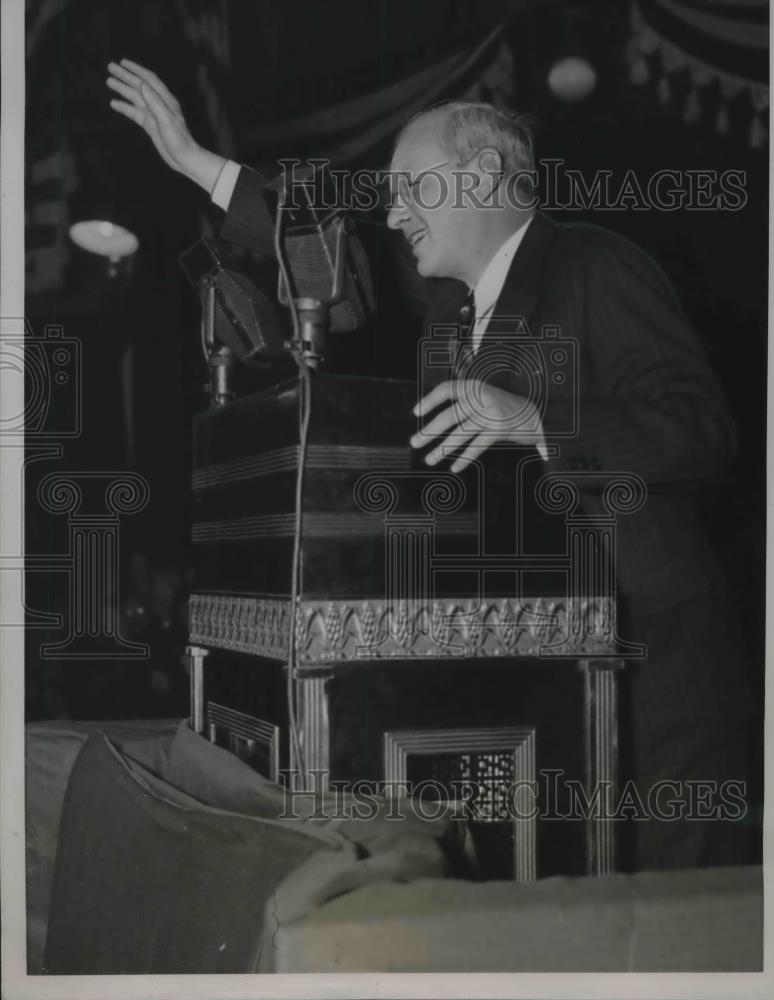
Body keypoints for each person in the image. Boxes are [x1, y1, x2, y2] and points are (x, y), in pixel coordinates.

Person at [107, 59, 755, 871]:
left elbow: (703, 431)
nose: (393, 208)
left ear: (484, 175)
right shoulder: (448, 321)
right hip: (537, 690)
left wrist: (537, 421)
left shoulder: (594, 263)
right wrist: (199, 164)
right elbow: (342, 252)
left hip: (655, 684)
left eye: (411, 184)